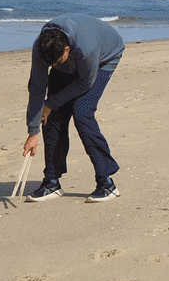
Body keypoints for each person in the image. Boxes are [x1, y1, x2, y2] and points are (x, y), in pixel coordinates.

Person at [21, 13, 125, 202]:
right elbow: (37, 88)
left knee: (82, 112)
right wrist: (33, 132)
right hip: (71, 61)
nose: (51, 66)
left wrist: (51, 102)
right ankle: (51, 181)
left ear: (67, 50)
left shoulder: (87, 48)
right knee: (51, 116)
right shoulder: (41, 47)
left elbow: (85, 82)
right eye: (50, 64)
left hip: (104, 58)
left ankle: (106, 183)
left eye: (56, 63)